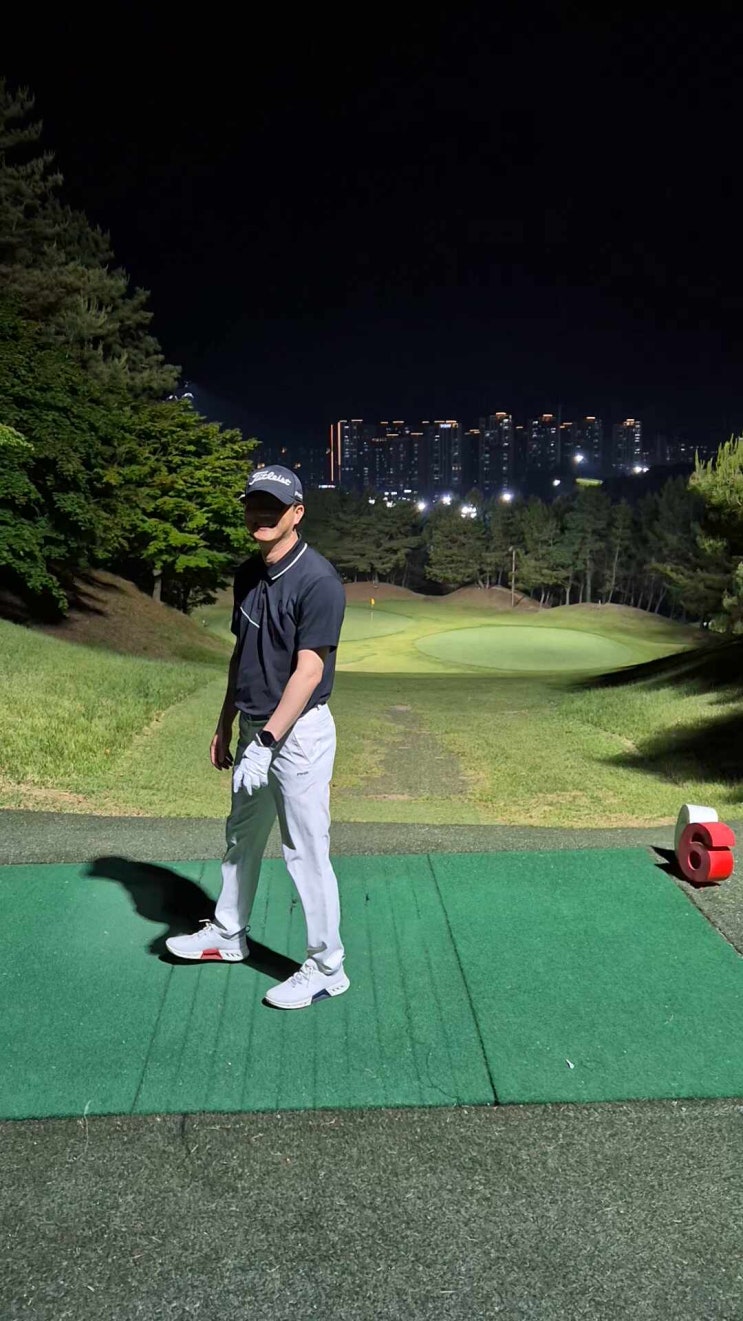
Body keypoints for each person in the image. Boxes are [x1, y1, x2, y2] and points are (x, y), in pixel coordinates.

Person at [166, 465, 349, 1010]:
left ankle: (327, 967)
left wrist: (266, 741)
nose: (261, 515)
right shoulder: (248, 573)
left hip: (296, 736)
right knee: (241, 838)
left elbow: (309, 672)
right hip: (253, 729)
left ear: (297, 513)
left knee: (305, 851)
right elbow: (242, 654)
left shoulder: (318, 581)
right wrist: (226, 721)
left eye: (274, 506)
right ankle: (229, 933)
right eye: (254, 504)